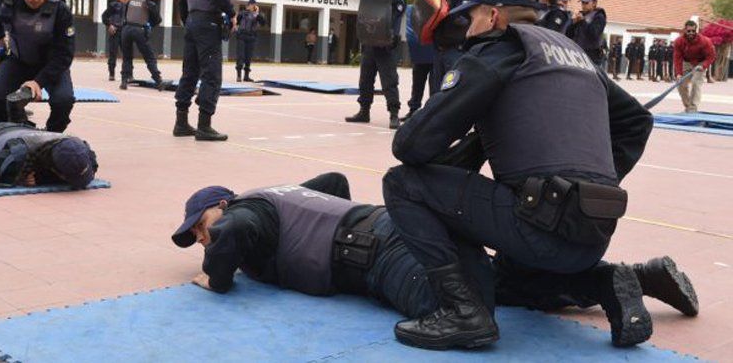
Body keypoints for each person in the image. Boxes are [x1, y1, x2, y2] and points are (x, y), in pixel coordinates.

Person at [382, 0, 654, 350]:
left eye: (471, 17)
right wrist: (590, 185)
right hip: (594, 232)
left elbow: (409, 147)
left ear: (493, 16)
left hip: (540, 227)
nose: (467, 29)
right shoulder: (572, 53)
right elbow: (637, 121)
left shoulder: (497, 51)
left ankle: (463, 312)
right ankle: (603, 282)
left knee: (403, 184)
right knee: (504, 282)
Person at [173, 172, 698, 347]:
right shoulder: (277, 194)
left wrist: (213, 277)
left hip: (377, 253)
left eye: (200, 228)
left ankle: (616, 280)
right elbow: (333, 182)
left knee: (464, 313)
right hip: (394, 229)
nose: (203, 240)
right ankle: (626, 279)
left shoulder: (246, 213)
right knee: (491, 283)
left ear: (222, 203)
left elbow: (235, 233)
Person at [0, 0, 76, 133]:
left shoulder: (60, 9)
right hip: (19, 60)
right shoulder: (8, 0)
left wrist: (38, 82)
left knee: (64, 101)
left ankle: (51, 135)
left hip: (51, 64)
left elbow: (65, 54)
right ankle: (15, 129)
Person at [173, 0, 235, 142]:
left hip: (191, 22)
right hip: (208, 23)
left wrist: (188, 21)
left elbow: (182, 0)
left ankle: (181, 123)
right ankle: (204, 125)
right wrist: (232, 12)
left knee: (189, 72)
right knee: (211, 74)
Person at [0, 119, 97, 188]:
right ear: (55, 168)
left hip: (21, 128)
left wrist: (42, 179)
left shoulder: (79, 146)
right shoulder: (20, 155)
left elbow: (92, 165)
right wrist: (20, 178)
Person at [346, 0, 406, 129]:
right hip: (370, 44)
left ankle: (394, 115)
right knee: (365, 80)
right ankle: (364, 111)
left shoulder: (398, 0)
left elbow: (396, 12)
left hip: (386, 46)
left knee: (389, 81)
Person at [430, 0, 473, 91]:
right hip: (439, 50)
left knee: (452, 90)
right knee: (436, 90)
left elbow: (461, 20)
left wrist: (443, 11)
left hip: (455, 50)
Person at [120, 0, 165, 91]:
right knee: (149, 57)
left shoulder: (130, 0)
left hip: (126, 29)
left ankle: (124, 81)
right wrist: (149, 24)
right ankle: (158, 80)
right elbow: (158, 19)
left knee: (127, 57)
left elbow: (125, 14)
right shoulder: (149, 2)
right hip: (139, 30)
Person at [402, 5, 435, 121]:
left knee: (433, 85)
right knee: (417, 84)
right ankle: (413, 109)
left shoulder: (439, 8)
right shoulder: (415, 10)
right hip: (422, 52)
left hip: (433, 52)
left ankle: (431, 113)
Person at [674, 20, 716, 113]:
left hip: (700, 63)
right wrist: (678, 74)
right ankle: (688, 106)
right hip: (687, 62)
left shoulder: (705, 41)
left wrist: (704, 65)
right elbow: (677, 59)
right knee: (680, 83)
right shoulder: (678, 41)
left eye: (693, 31)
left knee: (695, 82)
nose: (691, 33)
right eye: (689, 31)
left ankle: (692, 108)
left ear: (696, 30)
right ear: (685, 30)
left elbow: (711, 56)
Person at [566, 0, 607, 67]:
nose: (583, 5)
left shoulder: (599, 17)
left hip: (591, 56)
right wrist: (573, 23)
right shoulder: (580, 15)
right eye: (582, 3)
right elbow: (568, 34)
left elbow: (594, 34)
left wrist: (583, 21)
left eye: (586, 3)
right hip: (577, 53)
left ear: (594, 3)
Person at [101, 0, 130, 81]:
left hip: (125, 31)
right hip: (115, 31)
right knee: (113, 53)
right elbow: (104, 16)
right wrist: (110, 25)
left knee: (127, 53)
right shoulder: (114, 5)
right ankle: (111, 73)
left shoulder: (129, 6)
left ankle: (127, 74)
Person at [234, 0, 266, 81]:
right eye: (251, 4)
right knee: (240, 56)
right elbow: (236, 22)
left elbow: (263, 23)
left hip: (251, 37)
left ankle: (246, 76)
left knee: (248, 57)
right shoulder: (242, 13)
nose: (253, 6)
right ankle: (238, 76)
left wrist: (257, 13)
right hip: (241, 37)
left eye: (254, 5)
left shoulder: (257, 15)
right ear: (248, 5)